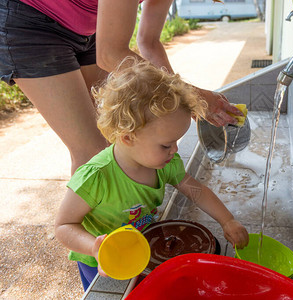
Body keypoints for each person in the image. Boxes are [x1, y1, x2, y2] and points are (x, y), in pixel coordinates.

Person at [54, 57, 249, 291]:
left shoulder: (164, 163)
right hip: (102, 260)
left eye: (176, 142)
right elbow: (64, 225)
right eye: (167, 145)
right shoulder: (96, 177)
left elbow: (196, 191)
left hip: (143, 246)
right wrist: (94, 247)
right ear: (128, 137)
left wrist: (227, 220)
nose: (175, 150)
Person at [0, 0, 242, 175]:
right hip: (29, 24)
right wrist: (194, 95)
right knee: (92, 151)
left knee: (115, 135)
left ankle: (122, 216)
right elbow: (111, 54)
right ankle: (90, 237)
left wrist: (180, 100)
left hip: (87, 31)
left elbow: (148, 41)